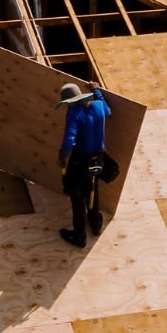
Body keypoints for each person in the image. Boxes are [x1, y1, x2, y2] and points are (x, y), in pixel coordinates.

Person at [56, 82, 112, 248]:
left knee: (77, 197)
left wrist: (62, 157)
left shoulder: (74, 113)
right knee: (93, 189)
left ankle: (79, 236)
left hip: (79, 161)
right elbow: (109, 111)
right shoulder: (99, 105)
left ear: (70, 101)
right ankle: (95, 224)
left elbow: (69, 141)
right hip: (98, 159)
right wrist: (96, 90)